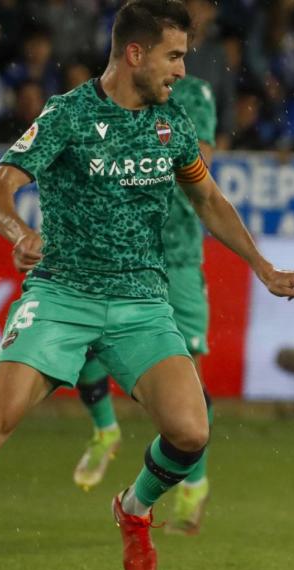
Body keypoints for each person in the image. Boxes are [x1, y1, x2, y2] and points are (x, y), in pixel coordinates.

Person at [0, 2, 294, 570]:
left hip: (142, 303)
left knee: (191, 431)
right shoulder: (69, 114)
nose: (182, 70)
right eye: (174, 56)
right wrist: (17, 229)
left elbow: (207, 198)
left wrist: (262, 265)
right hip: (62, 296)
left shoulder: (172, 122)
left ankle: (133, 511)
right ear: (135, 54)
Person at [72, 73, 220, 538]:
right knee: (80, 349)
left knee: (187, 381)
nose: (175, 63)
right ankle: (105, 431)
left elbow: (202, 171)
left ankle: (193, 484)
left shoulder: (195, 95)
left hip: (174, 255)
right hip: (112, 253)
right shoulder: (98, 98)